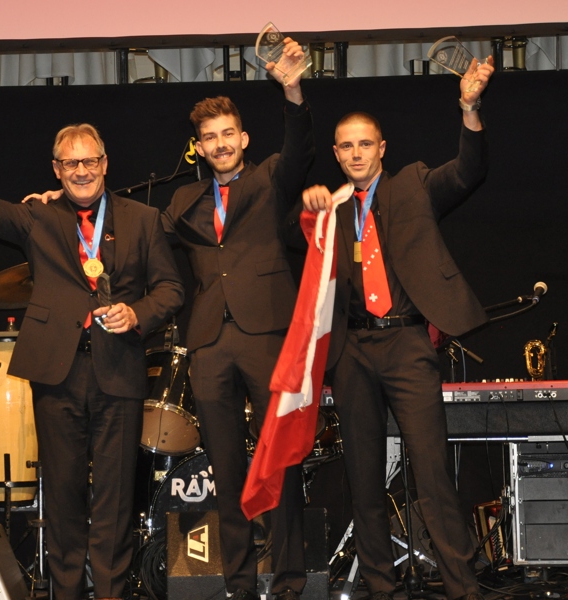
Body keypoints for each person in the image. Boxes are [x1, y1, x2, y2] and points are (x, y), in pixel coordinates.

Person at [0, 91, 184, 600]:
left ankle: (109, 592)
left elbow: (172, 290)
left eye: (90, 161)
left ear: (105, 164)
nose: (81, 171)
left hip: (119, 369)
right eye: (71, 163)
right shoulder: (38, 217)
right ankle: (65, 593)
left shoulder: (143, 220)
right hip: (57, 373)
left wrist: (138, 313)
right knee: (63, 495)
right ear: (56, 168)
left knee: (114, 498)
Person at [300, 56, 495, 600]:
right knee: (362, 479)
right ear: (336, 154)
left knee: (433, 474)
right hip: (353, 349)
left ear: (381, 148)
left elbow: (469, 171)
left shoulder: (414, 184)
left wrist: (470, 107)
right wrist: (310, 210)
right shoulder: (333, 207)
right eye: (346, 146)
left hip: (407, 342)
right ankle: (381, 588)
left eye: (366, 144)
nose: (356, 154)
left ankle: (462, 589)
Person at [160, 38, 314, 600]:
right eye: (210, 137)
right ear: (198, 147)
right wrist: (61, 200)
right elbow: (131, 227)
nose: (220, 144)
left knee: (282, 460)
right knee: (226, 471)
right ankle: (241, 584)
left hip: (268, 334)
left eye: (229, 134)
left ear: (243, 139)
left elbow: (299, 148)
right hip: (207, 343)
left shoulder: (271, 178)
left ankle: (291, 581)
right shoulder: (183, 203)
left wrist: (292, 89)